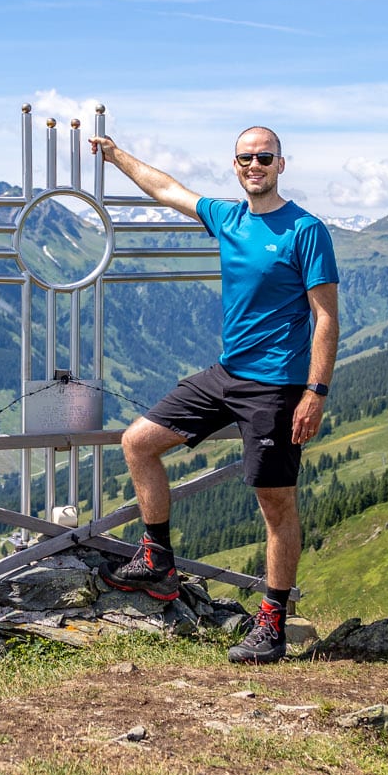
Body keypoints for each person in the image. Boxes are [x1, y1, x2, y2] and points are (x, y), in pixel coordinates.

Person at [87, 125, 339, 664]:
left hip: (277, 386)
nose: (255, 165)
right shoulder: (227, 216)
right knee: (138, 442)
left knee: (276, 506)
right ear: (235, 164)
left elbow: (325, 317)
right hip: (227, 373)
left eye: (264, 157)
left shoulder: (306, 230)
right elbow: (166, 189)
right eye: (246, 158)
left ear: (281, 164)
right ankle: (158, 560)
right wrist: (114, 156)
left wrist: (315, 392)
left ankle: (271, 624)